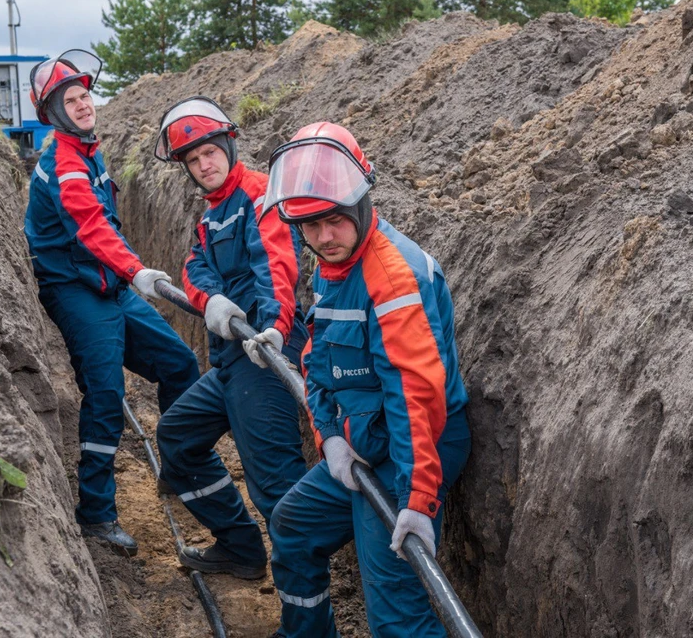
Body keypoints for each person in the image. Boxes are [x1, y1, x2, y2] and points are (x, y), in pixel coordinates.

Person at [263, 122, 472, 637]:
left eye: (333, 221)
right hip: (360, 442)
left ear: (359, 204)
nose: (322, 237)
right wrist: (329, 437)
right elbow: (315, 360)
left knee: (395, 609)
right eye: (308, 226)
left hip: (413, 450)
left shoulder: (395, 280)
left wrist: (417, 501)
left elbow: (414, 399)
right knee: (293, 528)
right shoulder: (331, 266)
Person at [24, 50, 200, 557]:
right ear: (53, 113)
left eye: (85, 96)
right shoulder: (64, 162)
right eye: (71, 100)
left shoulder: (88, 150)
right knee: (105, 395)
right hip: (76, 288)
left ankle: (177, 464)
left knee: (180, 364)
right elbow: (90, 225)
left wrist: (125, 273)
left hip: (108, 282)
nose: (84, 105)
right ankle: (97, 514)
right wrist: (135, 269)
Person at [151, 97, 309, 579]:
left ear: (228, 145)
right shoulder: (211, 214)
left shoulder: (260, 196)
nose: (204, 164)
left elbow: (276, 265)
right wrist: (210, 300)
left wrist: (275, 330)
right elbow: (194, 267)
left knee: (276, 488)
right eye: (194, 160)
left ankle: (308, 618)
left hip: (262, 353)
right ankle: (240, 546)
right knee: (177, 438)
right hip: (229, 358)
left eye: (210, 152)